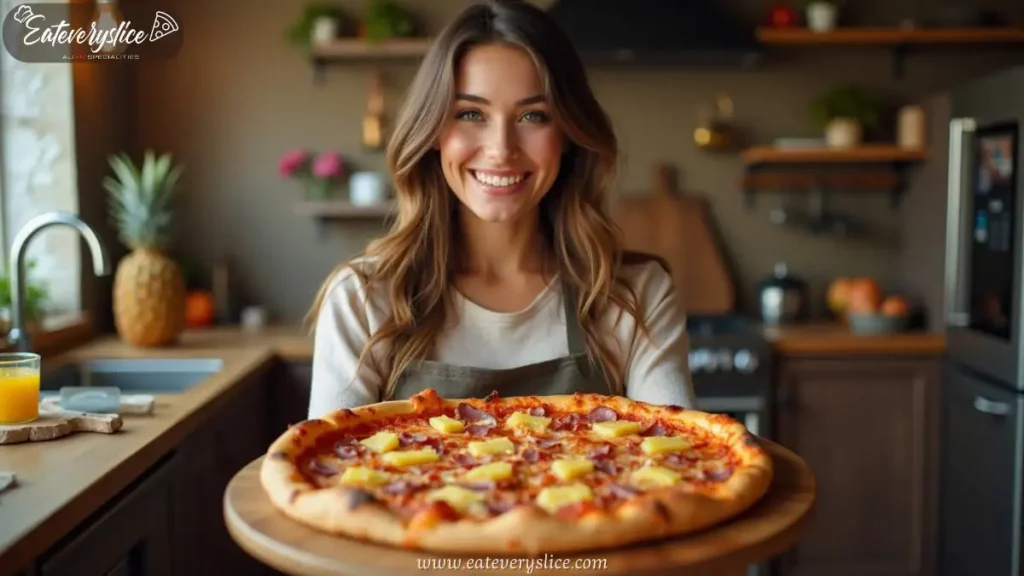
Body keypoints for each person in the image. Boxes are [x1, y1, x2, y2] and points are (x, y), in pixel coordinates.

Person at [306, 0, 695, 418]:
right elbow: (329, 472)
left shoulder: (634, 296)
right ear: (434, 131)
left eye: (533, 115)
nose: (501, 149)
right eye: (471, 113)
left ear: (567, 134)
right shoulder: (363, 300)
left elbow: (680, 463)